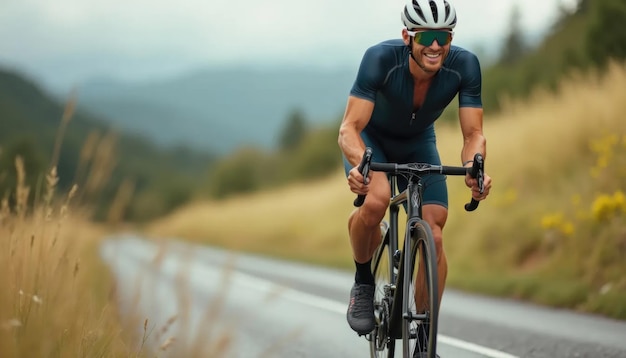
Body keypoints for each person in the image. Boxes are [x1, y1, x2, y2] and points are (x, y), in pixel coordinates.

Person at [338, 0, 493, 342]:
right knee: (376, 201)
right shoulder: (380, 59)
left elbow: (473, 134)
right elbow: (349, 128)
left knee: (434, 233)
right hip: (371, 139)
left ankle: (424, 336)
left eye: (444, 36)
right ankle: (363, 281)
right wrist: (359, 163)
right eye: (427, 36)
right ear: (408, 36)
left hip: (419, 141)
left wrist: (473, 166)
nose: (436, 45)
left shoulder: (465, 65)